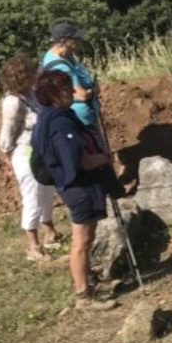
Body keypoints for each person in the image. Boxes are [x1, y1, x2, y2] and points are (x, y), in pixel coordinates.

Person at [31, 69, 118, 311]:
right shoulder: (59, 123)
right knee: (81, 241)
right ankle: (84, 296)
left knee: (87, 238)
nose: (72, 91)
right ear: (53, 94)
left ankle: (89, 281)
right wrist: (103, 159)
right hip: (78, 187)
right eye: (67, 88)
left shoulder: (51, 115)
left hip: (76, 186)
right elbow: (78, 159)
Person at [0, 55, 62, 263]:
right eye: (33, 73)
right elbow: (6, 137)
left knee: (47, 190)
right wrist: (8, 160)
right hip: (25, 153)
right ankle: (33, 246)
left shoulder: (34, 94)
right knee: (32, 195)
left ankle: (50, 231)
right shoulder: (13, 102)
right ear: (22, 76)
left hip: (43, 150)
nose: (37, 75)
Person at [41, 22, 100, 129]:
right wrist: (94, 90)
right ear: (63, 41)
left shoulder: (67, 56)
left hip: (86, 118)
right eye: (75, 38)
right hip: (80, 122)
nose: (79, 40)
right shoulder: (60, 66)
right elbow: (81, 95)